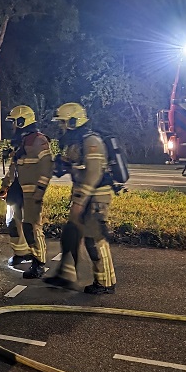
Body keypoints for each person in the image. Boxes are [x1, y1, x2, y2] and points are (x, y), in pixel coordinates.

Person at [43, 102, 117, 295]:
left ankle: (105, 283)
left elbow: (93, 174)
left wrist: (80, 200)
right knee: (71, 234)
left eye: (63, 122)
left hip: (96, 196)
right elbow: (72, 165)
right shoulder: (76, 142)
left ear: (74, 121)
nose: (61, 127)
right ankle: (66, 276)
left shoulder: (91, 141)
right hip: (83, 195)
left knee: (95, 239)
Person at [0, 105, 53, 279]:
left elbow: (47, 166)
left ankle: (39, 263)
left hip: (31, 192)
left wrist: (40, 189)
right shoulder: (22, 141)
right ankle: (21, 253)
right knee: (12, 222)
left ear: (22, 121)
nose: (11, 126)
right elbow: (13, 167)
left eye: (13, 122)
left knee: (32, 227)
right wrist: (5, 185)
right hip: (18, 189)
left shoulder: (39, 140)